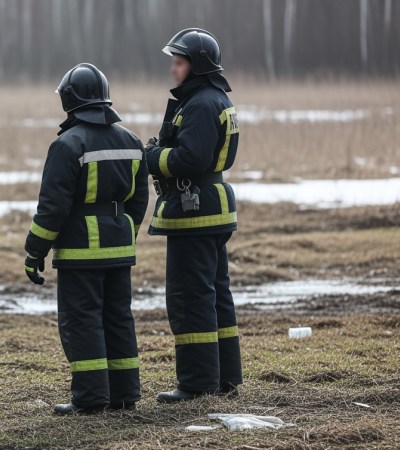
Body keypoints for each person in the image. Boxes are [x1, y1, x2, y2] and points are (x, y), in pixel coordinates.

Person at [24, 63, 149, 415]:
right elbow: (139, 199)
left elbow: (52, 208)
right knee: (118, 318)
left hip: (80, 252)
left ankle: (91, 399)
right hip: (120, 248)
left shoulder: (67, 144)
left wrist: (35, 251)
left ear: (69, 100)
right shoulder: (132, 141)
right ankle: (124, 396)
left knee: (83, 321)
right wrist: (123, 230)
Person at [143, 29, 242, 403]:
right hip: (214, 207)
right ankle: (225, 378)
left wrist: (152, 157)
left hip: (195, 213)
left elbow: (190, 159)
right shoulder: (217, 99)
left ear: (197, 65)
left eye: (179, 62)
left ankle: (197, 383)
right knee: (216, 294)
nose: (173, 69)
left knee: (189, 298)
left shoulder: (200, 104)